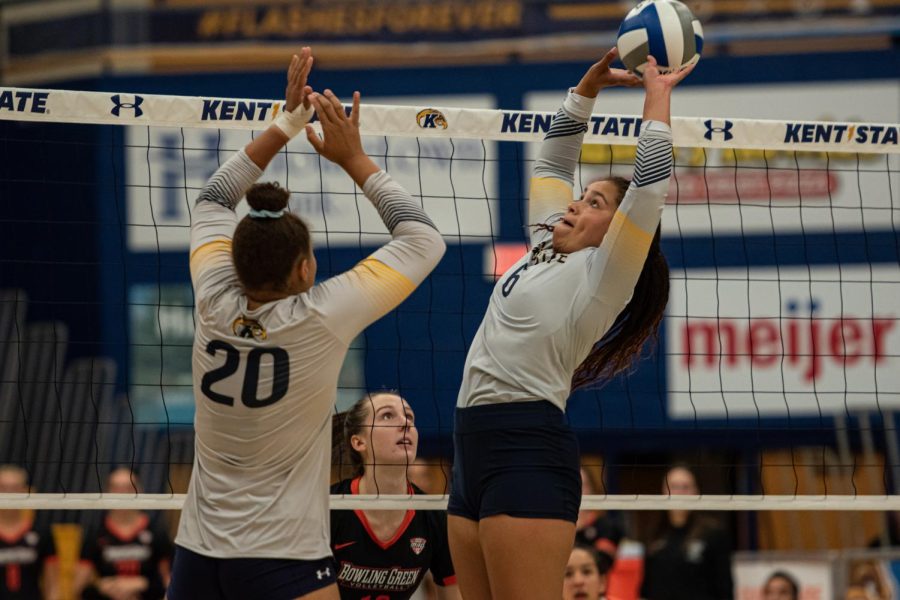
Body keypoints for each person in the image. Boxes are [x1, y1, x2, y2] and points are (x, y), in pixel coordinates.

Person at [166, 47, 446, 600]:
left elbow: (214, 197)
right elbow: (424, 238)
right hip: (283, 553)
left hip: (198, 550)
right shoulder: (321, 317)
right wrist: (353, 159)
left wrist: (286, 122)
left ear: (236, 261)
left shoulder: (212, 298)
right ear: (304, 269)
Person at [447, 46, 693, 600]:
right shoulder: (542, 245)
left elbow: (649, 189)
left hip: (525, 448)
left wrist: (657, 97)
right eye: (581, 197)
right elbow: (554, 162)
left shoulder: (605, 274)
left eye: (595, 202)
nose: (576, 203)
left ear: (617, 230)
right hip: (470, 446)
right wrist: (585, 91)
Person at [330, 392, 459, 600]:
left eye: (409, 417)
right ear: (359, 442)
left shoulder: (433, 515)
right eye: (387, 416)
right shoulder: (331, 508)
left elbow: (452, 594)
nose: (405, 424)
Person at [640, 465, 733, 600]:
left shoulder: (713, 534)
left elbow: (725, 589)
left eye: (686, 487)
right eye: (674, 486)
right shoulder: (654, 534)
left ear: (696, 492)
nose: (679, 492)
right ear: (663, 491)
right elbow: (646, 590)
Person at [79, 468, 172, 600]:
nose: (122, 494)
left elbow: (169, 583)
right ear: (107, 493)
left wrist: (142, 583)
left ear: (139, 491)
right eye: (116, 488)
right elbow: (80, 587)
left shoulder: (157, 533)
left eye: (128, 488)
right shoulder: (95, 534)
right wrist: (102, 586)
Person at [0, 465, 56, 600]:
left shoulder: (40, 531)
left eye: (14, 488)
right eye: (2, 487)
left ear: (25, 491)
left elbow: (53, 580)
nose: (8, 493)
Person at [576, 467, 623, 574]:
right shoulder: (557, 527)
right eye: (573, 485)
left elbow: (603, 563)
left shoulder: (606, 527)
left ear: (592, 490)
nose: (578, 490)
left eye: (583, 485)